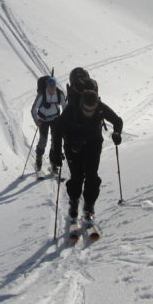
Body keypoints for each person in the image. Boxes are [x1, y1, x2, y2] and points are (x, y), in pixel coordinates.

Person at [49, 88, 123, 225]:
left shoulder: (100, 107)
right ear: (81, 105)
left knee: (92, 177)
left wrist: (117, 133)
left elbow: (117, 121)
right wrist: (56, 152)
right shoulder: (71, 110)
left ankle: (89, 207)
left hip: (93, 146)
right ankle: (74, 203)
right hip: (73, 147)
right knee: (77, 177)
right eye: (87, 110)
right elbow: (57, 129)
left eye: (92, 110)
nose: (90, 113)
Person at [31, 77, 66, 172]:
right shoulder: (42, 95)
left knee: (55, 141)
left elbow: (65, 108)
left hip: (55, 119)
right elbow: (34, 109)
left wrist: (63, 120)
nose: (52, 89)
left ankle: (53, 161)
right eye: (50, 87)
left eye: (53, 87)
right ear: (47, 87)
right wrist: (36, 120)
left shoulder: (59, 94)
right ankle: (38, 159)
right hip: (43, 120)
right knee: (43, 140)